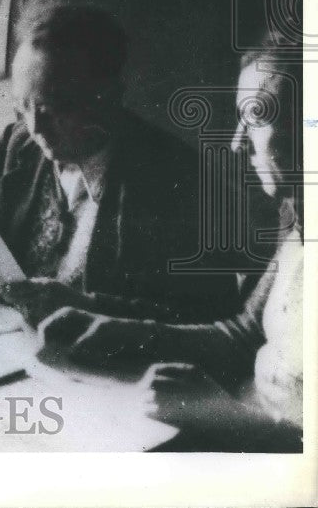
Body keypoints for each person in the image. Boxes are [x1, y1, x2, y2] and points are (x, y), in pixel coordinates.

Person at [0, 0, 241, 326]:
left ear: (107, 95)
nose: (35, 126)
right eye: (22, 107)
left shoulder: (175, 178)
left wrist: (87, 307)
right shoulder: (20, 145)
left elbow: (206, 315)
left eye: (53, 108)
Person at [38, 36, 303, 452]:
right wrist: (106, 324)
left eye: (255, 118)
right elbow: (243, 334)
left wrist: (225, 417)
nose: (237, 142)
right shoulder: (301, 225)